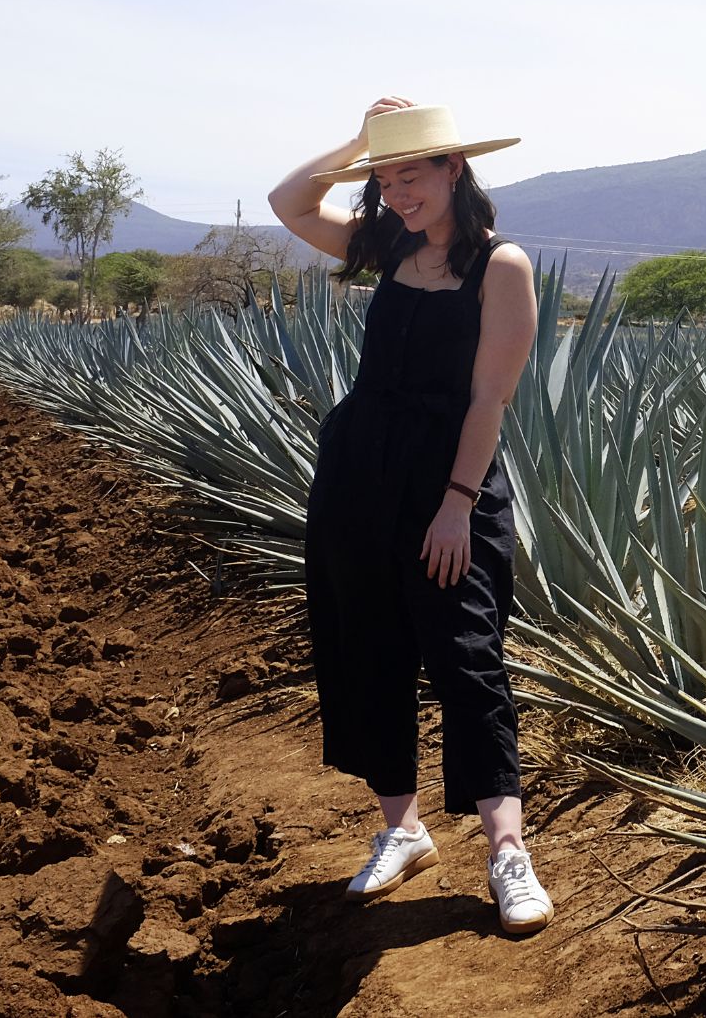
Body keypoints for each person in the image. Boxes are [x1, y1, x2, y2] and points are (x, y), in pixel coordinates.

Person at [267, 96, 552, 934]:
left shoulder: (502, 266)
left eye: (412, 173)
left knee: (467, 656)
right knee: (368, 648)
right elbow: (289, 200)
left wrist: (458, 506)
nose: (396, 191)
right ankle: (403, 828)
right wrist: (361, 142)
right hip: (358, 473)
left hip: (447, 483)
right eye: (384, 178)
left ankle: (507, 852)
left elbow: (489, 398)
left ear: (454, 169)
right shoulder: (385, 247)